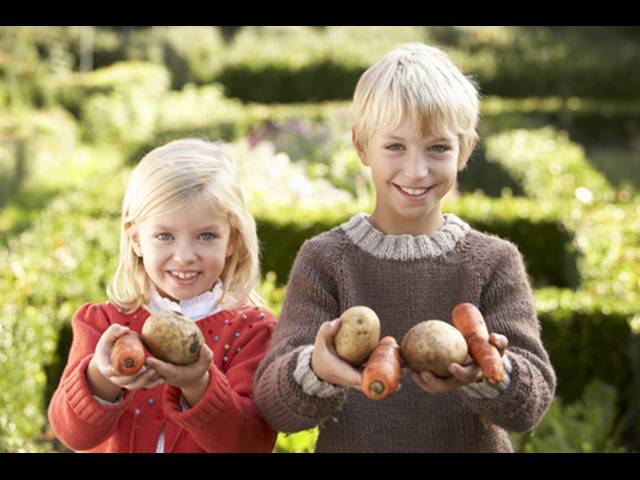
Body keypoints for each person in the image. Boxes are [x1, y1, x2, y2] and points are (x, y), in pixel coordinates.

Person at [252, 43, 556, 452]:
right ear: (361, 147)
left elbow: (531, 405)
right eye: (395, 146)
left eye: (438, 148)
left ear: (465, 149)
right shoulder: (325, 260)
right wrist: (315, 370)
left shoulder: (494, 262)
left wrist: (491, 372)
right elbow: (274, 407)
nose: (416, 170)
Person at [48, 139, 277, 452]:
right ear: (136, 239)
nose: (184, 256)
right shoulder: (104, 324)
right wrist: (102, 375)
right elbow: (72, 434)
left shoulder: (252, 331)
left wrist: (198, 384)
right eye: (164, 236)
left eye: (206, 236)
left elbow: (250, 443)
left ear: (232, 240)